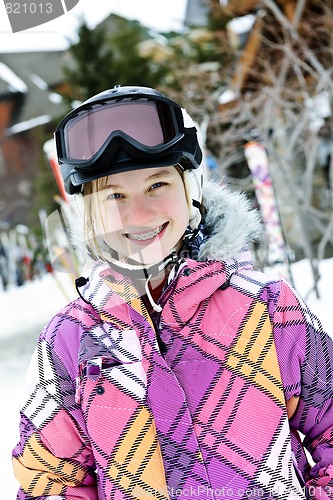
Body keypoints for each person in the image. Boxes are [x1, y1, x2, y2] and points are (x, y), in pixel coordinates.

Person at [13, 85, 333, 499]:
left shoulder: (269, 307)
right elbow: (49, 483)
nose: (139, 213)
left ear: (191, 188)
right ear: (87, 212)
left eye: (156, 185)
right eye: (114, 195)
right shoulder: (71, 341)